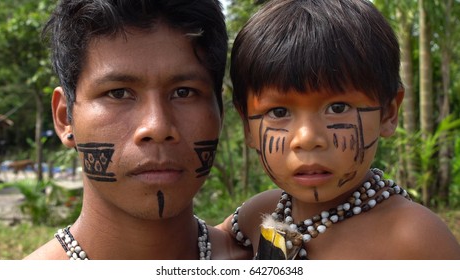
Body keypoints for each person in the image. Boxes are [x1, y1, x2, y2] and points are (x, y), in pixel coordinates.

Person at [220, 0, 460, 259]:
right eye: (279, 112)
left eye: (337, 107)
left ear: (388, 113)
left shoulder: (414, 239)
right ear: (247, 126)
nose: (308, 138)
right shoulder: (259, 213)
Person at [25, 0, 250, 260]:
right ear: (65, 117)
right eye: (118, 93)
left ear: (220, 112)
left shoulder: (275, 259)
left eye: (183, 92)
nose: (157, 127)